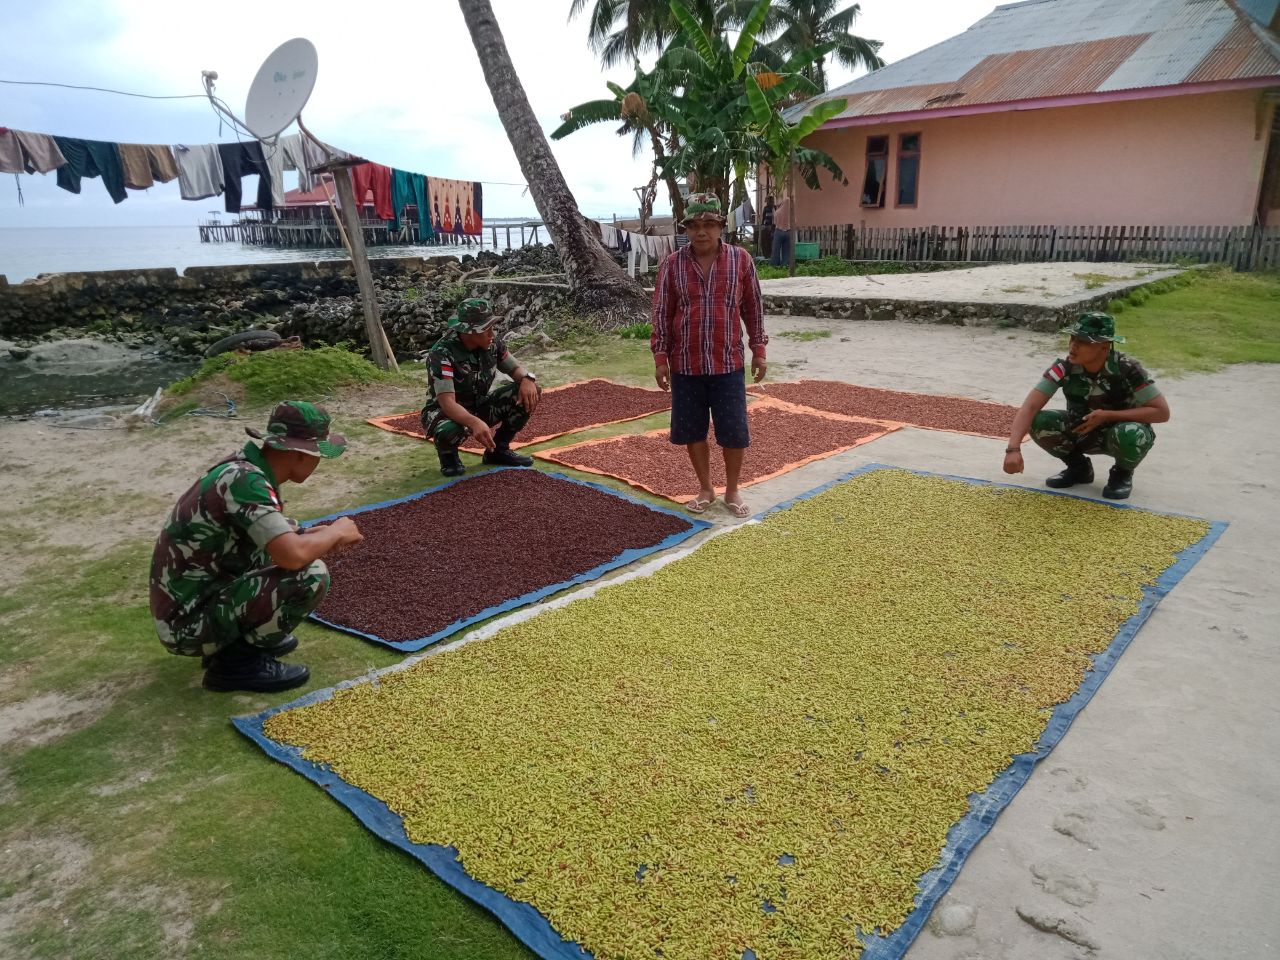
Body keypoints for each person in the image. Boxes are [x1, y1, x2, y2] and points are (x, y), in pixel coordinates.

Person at [149, 401, 363, 692]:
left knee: (286, 549)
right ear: (301, 454)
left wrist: (306, 533)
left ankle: (241, 640)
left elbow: (264, 529)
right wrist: (336, 531)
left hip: (194, 602)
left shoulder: (245, 467)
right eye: (318, 454)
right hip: (186, 626)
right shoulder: (245, 480)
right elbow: (292, 555)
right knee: (311, 574)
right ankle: (236, 664)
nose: (318, 461)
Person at [651, 192, 767, 518]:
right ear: (686, 229)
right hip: (685, 364)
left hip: (727, 362)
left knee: (733, 430)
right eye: (695, 226)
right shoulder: (672, 266)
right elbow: (661, 314)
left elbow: (753, 309)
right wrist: (661, 358)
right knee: (693, 430)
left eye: (709, 224)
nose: (702, 232)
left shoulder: (741, 260)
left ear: (720, 227)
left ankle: (732, 490)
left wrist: (758, 349)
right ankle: (705, 487)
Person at [1003, 312, 1170, 500]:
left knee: (1131, 433)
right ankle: (1079, 468)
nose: (1073, 345)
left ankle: (1122, 474)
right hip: (1082, 430)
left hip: (1120, 433)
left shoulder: (1127, 368)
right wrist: (1013, 449)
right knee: (1039, 421)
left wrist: (1107, 415)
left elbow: (1162, 412)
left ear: (1104, 347)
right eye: (1073, 338)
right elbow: (1030, 407)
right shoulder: (1064, 367)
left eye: (1084, 341)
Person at [421, 297, 541, 477]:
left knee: (529, 390)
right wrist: (474, 422)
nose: (492, 333)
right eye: (486, 329)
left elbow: (516, 369)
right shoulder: (442, 353)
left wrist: (528, 379)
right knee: (448, 430)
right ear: (469, 332)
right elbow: (447, 403)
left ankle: (499, 450)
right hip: (446, 413)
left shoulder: (493, 344)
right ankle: (449, 457)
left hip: (479, 404)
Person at [769, 196, 792, 267]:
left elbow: (774, 223)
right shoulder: (791, 213)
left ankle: (775, 265)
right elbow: (795, 222)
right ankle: (785, 264)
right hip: (788, 232)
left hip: (779, 231)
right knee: (786, 250)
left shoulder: (777, 212)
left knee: (776, 249)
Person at [758, 194, 775, 259]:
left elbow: (768, 218)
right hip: (768, 227)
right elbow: (764, 217)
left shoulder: (773, 208)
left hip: (771, 227)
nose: (767, 202)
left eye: (768, 200)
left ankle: (769, 255)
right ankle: (767, 255)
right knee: (767, 242)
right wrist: (763, 225)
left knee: (768, 242)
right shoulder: (767, 208)